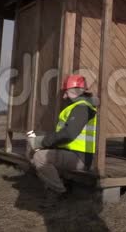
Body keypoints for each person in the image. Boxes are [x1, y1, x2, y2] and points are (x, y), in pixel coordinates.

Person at [27, 74, 98, 208]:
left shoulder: (82, 108)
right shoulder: (79, 106)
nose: (64, 96)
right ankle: (61, 184)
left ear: (73, 91)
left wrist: (39, 142)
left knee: (40, 157)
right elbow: (63, 135)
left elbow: (68, 134)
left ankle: (58, 192)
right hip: (74, 154)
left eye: (66, 91)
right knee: (37, 156)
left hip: (81, 158)